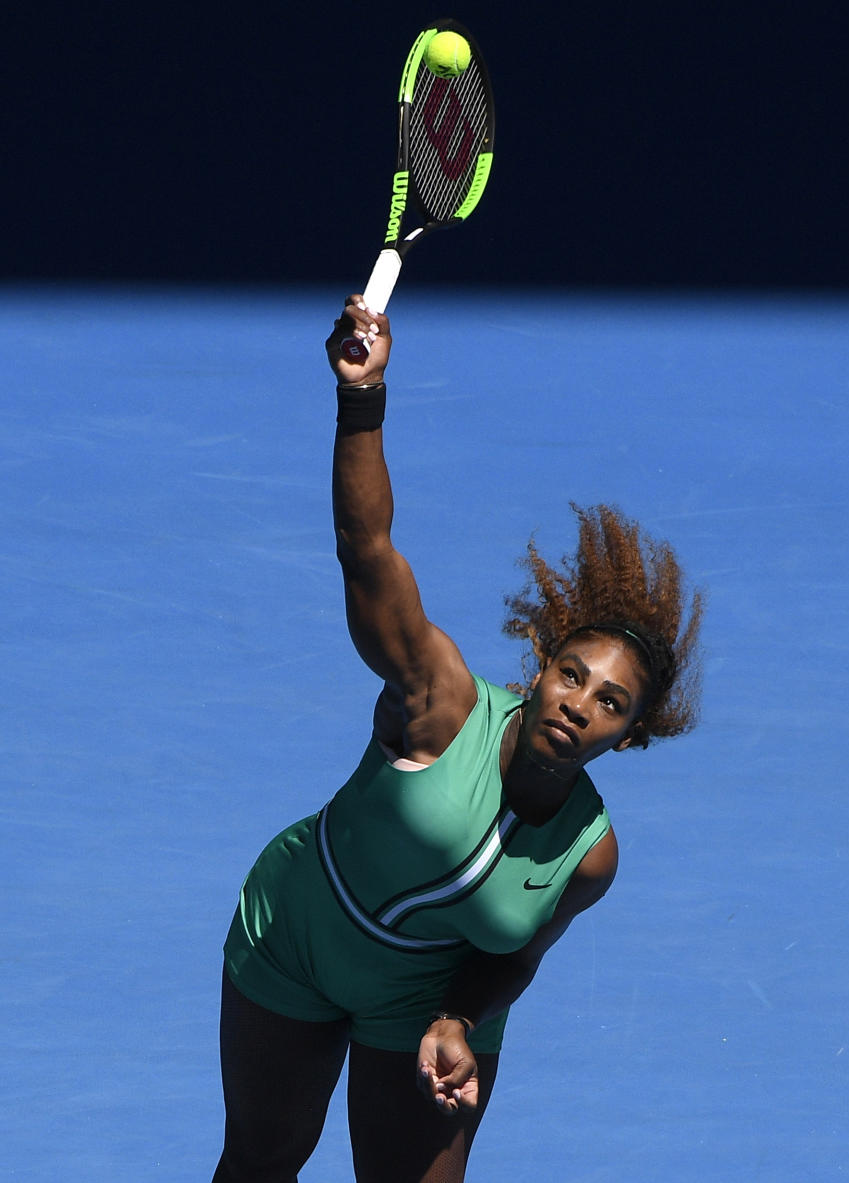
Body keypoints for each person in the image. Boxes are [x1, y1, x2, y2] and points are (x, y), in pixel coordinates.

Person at [212, 296, 704, 1183]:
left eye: (612, 703)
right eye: (570, 674)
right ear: (540, 665)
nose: (579, 703)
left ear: (630, 737)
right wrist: (363, 396)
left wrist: (459, 1022)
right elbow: (368, 548)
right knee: (261, 1159)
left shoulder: (589, 857)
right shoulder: (438, 701)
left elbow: (512, 955)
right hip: (297, 933)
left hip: (420, 1001)